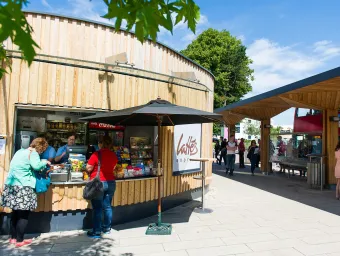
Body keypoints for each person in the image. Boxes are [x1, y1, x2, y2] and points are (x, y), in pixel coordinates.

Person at [0, 138, 50, 247]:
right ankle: (20, 240)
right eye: (43, 149)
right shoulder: (33, 153)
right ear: (41, 147)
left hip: (11, 186)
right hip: (24, 187)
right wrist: (44, 161)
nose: (42, 151)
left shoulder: (19, 151)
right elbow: (36, 166)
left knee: (14, 213)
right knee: (23, 215)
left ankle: (13, 238)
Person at [86, 136, 118, 238]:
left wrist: (87, 170)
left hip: (98, 183)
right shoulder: (113, 155)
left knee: (98, 208)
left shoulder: (96, 154)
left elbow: (89, 167)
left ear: (100, 143)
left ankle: (96, 231)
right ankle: (107, 228)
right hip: (111, 182)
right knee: (107, 207)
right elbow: (114, 167)